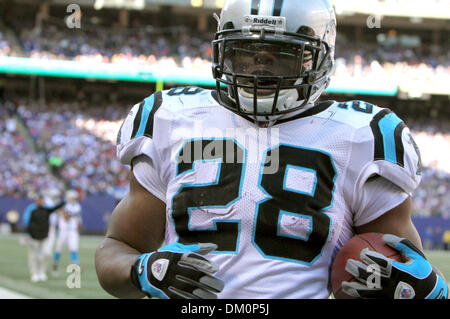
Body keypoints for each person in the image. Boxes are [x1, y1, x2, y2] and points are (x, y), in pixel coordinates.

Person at [95, 0, 448, 299]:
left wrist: (424, 289)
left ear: (319, 59)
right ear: (222, 52)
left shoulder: (364, 136)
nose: (258, 71)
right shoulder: (170, 118)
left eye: (281, 55)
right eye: (245, 55)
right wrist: (142, 270)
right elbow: (117, 247)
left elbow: (406, 267)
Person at [22, 193, 65, 282]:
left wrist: (63, 201)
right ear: (36, 200)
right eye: (39, 199)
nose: (41, 201)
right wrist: (27, 234)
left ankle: (42, 272)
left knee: (46, 254)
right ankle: (34, 273)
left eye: (42, 199)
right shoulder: (32, 209)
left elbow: (55, 208)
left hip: (44, 236)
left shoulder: (46, 210)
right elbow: (27, 222)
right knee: (33, 256)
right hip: (33, 236)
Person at [52, 190, 82, 275]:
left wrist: (63, 211)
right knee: (59, 249)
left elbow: (69, 217)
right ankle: (55, 266)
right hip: (63, 230)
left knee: (74, 249)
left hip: (72, 230)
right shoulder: (64, 205)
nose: (74, 199)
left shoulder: (77, 206)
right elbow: (65, 217)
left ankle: (75, 267)